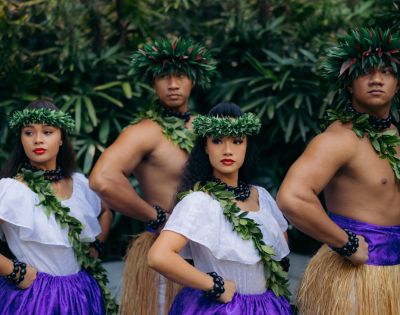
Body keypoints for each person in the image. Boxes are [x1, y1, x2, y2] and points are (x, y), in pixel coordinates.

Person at [277, 28, 400, 315]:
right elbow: (292, 197)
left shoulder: (395, 136)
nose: (377, 80)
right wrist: (346, 243)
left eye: (386, 72)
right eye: (365, 73)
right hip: (354, 281)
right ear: (348, 84)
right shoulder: (338, 141)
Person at [89, 37, 216, 314]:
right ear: (152, 82)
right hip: (166, 252)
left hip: (212, 248)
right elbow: (102, 179)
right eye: (163, 77)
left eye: (180, 75)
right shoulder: (144, 132)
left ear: (193, 80)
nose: (173, 84)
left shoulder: (209, 130)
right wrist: (155, 216)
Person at [148, 102, 292, 314]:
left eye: (237, 141)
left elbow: (281, 251)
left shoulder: (262, 197)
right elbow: (158, 256)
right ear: (206, 147)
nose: (227, 150)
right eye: (217, 141)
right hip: (220, 309)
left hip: (267, 307)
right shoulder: (198, 202)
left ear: (247, 145)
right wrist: (214, 285)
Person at [0, 100, 116, 314]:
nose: (37, 140)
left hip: (81, 293)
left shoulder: (79, 183)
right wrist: (15, 271)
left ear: (61, 138)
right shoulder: (12, 190)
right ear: (21, 139)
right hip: (34, 297)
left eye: (47, 132)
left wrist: (95, 249)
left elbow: (107, 210)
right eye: (28, 132)